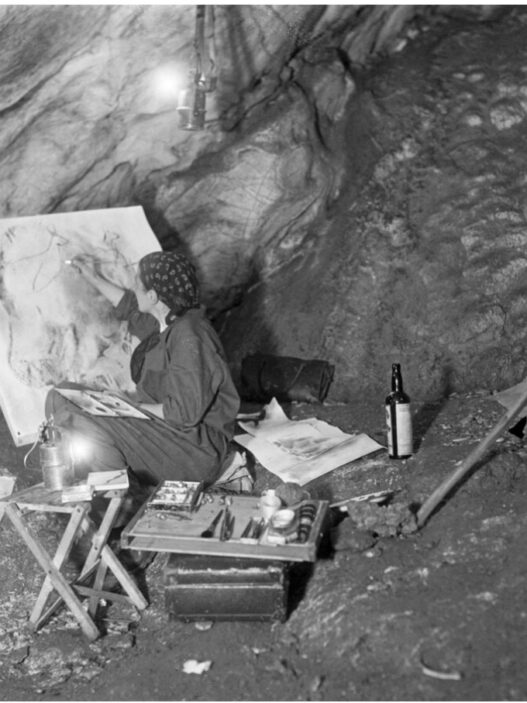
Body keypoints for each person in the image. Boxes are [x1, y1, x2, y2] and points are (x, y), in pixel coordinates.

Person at [45, 249, 241, 523]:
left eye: (139, 284)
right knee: (61, 395)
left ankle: (120, 508)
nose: (134, 288)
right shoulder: (164, 319)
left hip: (194, 451)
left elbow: (184, 414)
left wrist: (129, 406)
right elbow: (128, 305)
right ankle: (101, 484)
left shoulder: (190, 335)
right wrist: (92, 276)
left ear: (154, 296)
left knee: (84, 418)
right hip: (168, 431)